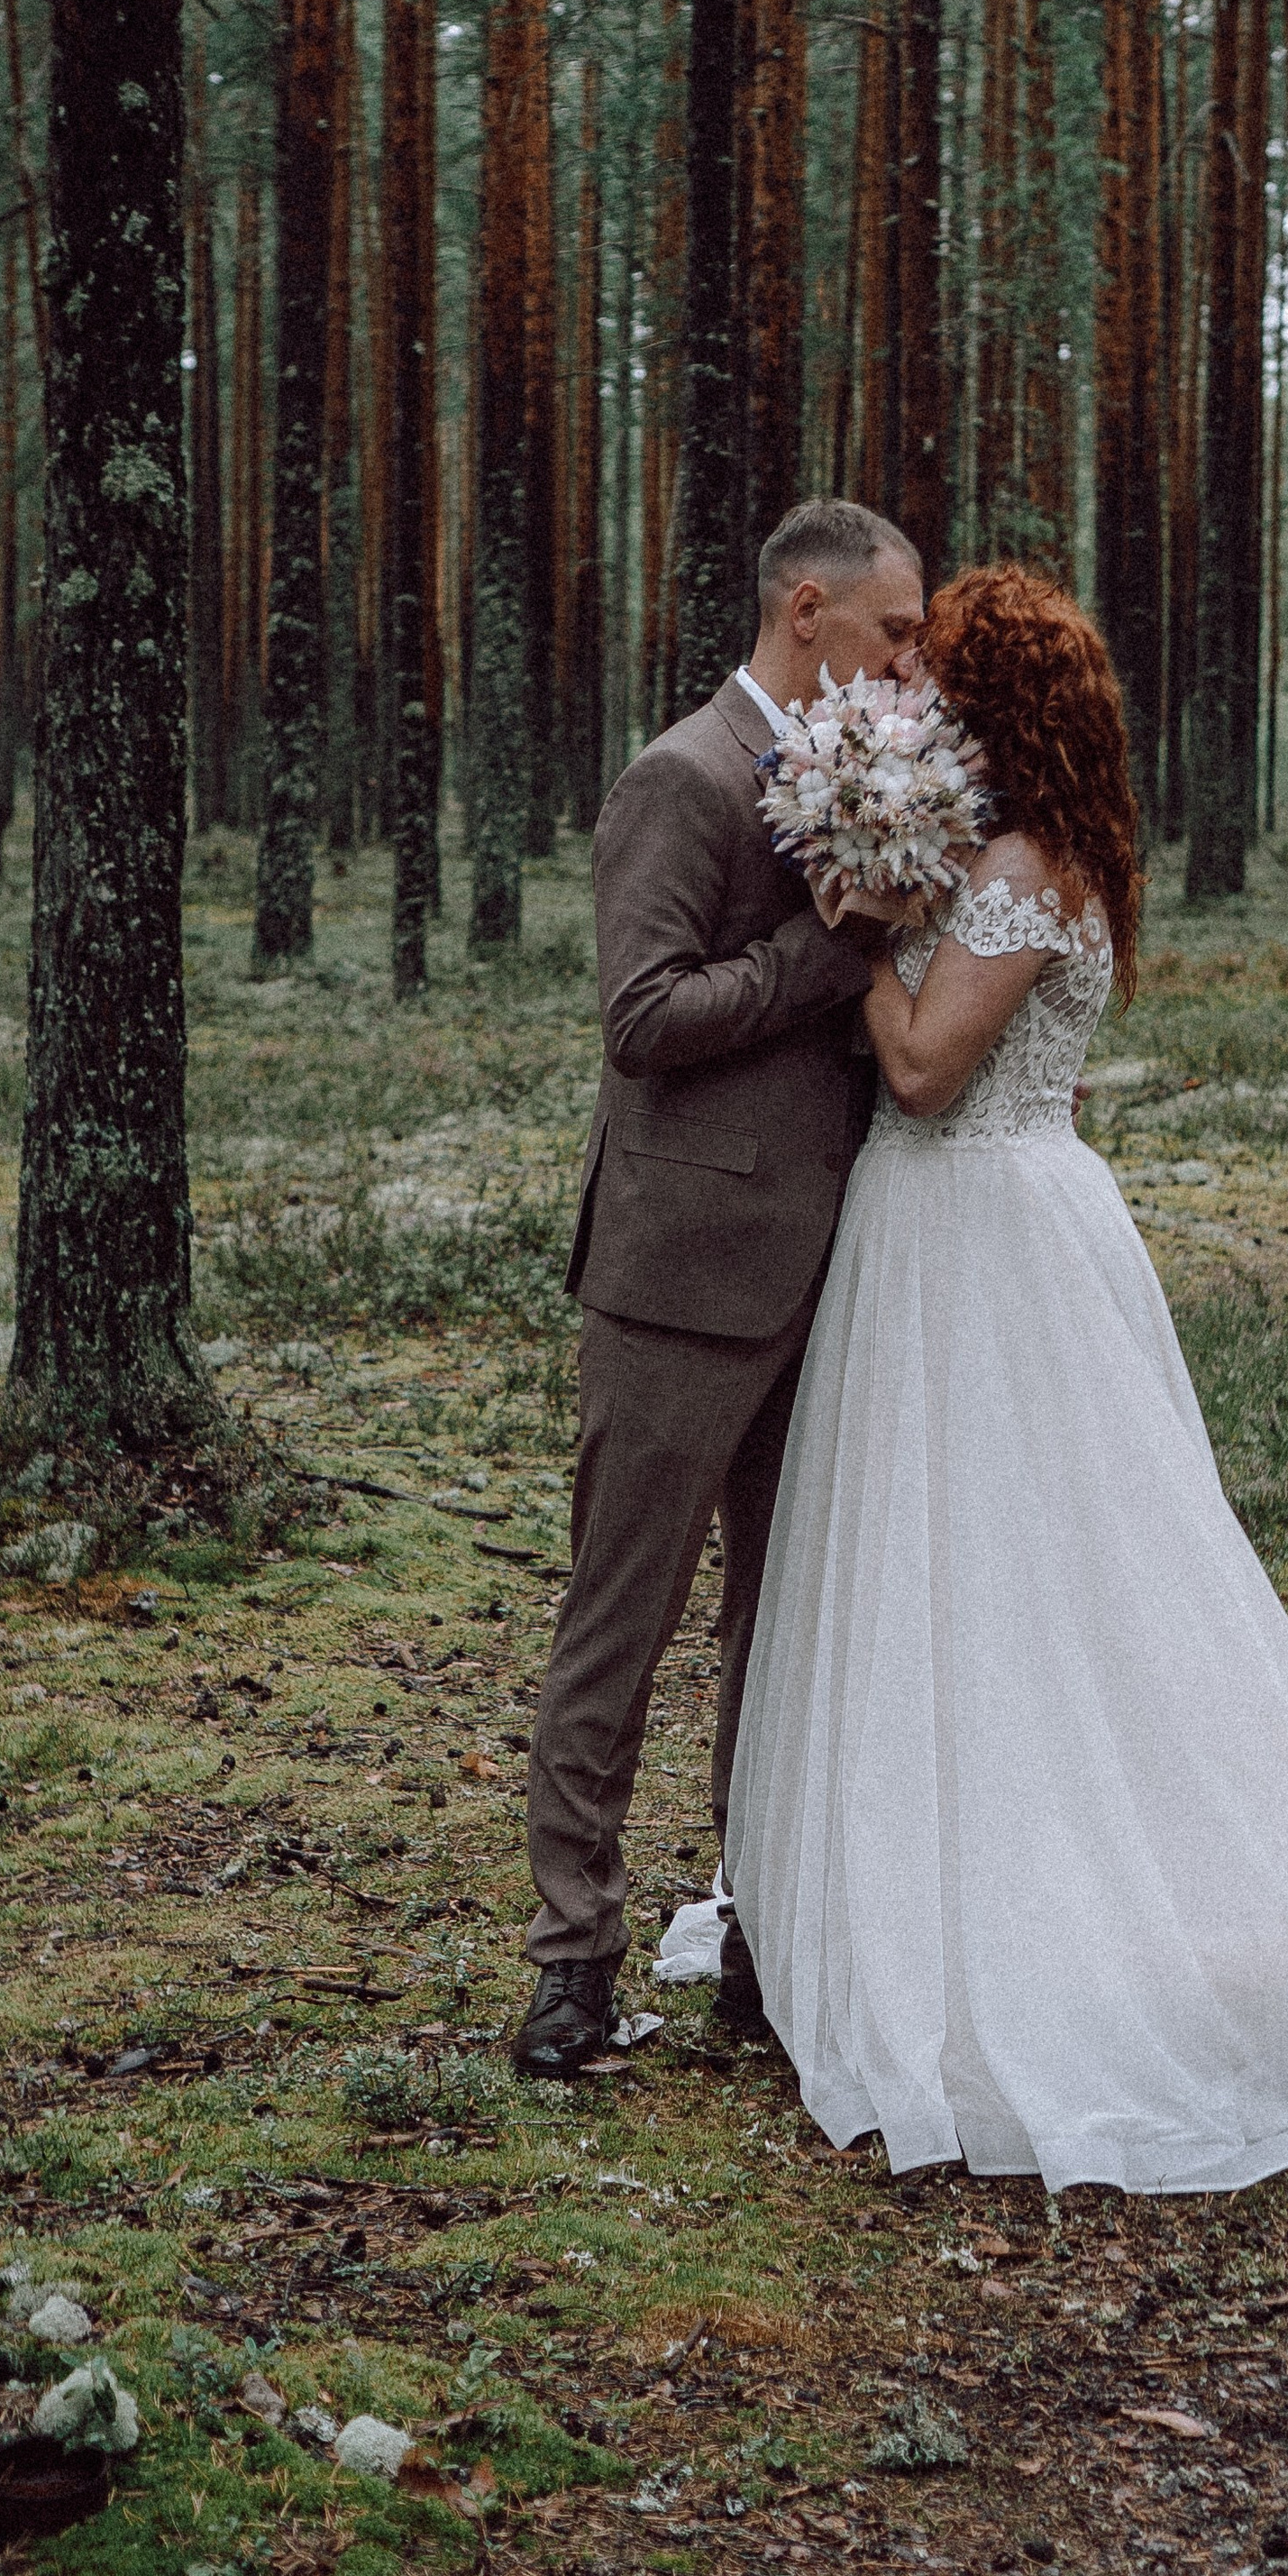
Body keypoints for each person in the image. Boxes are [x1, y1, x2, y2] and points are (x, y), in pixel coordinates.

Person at [724, 566, 1288, 2191]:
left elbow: (934, 1074)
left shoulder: (1021, 867)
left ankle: (1037, 1916)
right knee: (947, 1565)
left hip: (978, 1230)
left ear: (993, 707)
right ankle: (930, 1868)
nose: (915, 696)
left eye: (941, 678)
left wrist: (856, 934)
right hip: (956, 1231)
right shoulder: (1026, 850)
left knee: (1037, 1566)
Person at [508, 498, 927, 2079]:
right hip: (680, 1279)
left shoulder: (873, 783)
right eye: (893, 635)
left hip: (836, 1269)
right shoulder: (680, 778)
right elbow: (642, 1017)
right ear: (805, 612)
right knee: (622, 1620)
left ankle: (762, 1933)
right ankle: (572, 1961)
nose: (909, 669)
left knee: (785, 1627)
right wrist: (829, 958)